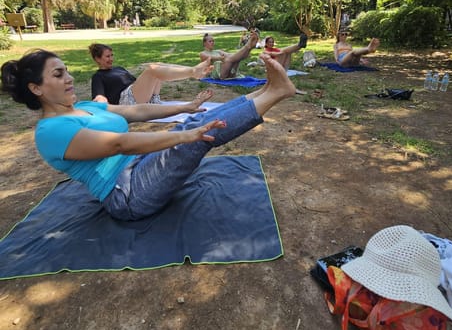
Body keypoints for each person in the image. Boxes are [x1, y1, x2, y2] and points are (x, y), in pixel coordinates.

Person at [1, 49, 296, 221]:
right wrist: (185, 136)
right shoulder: (49, 132)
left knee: (194, 122)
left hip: (138, 166)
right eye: (58, 75)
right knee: (191, 138)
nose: (69, 78)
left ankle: (267, 92)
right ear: (36, 88)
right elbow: (119, 143)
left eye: (66, 71)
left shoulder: (84, 107)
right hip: (127, 195)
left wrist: (186, 107)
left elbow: (136, 113)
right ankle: (275, 93)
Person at [89, 43, 214, 105]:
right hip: (126, 102)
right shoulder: (98, 77)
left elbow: (136, 82)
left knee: (157, 65)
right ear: (97, 59)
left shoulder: (119, 68)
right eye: (107, 56)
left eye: (112, 55)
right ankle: (193, 72)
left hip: (138, 94)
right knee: (151, 69)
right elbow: (99, 98)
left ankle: (193, 70)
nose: (111, 58)